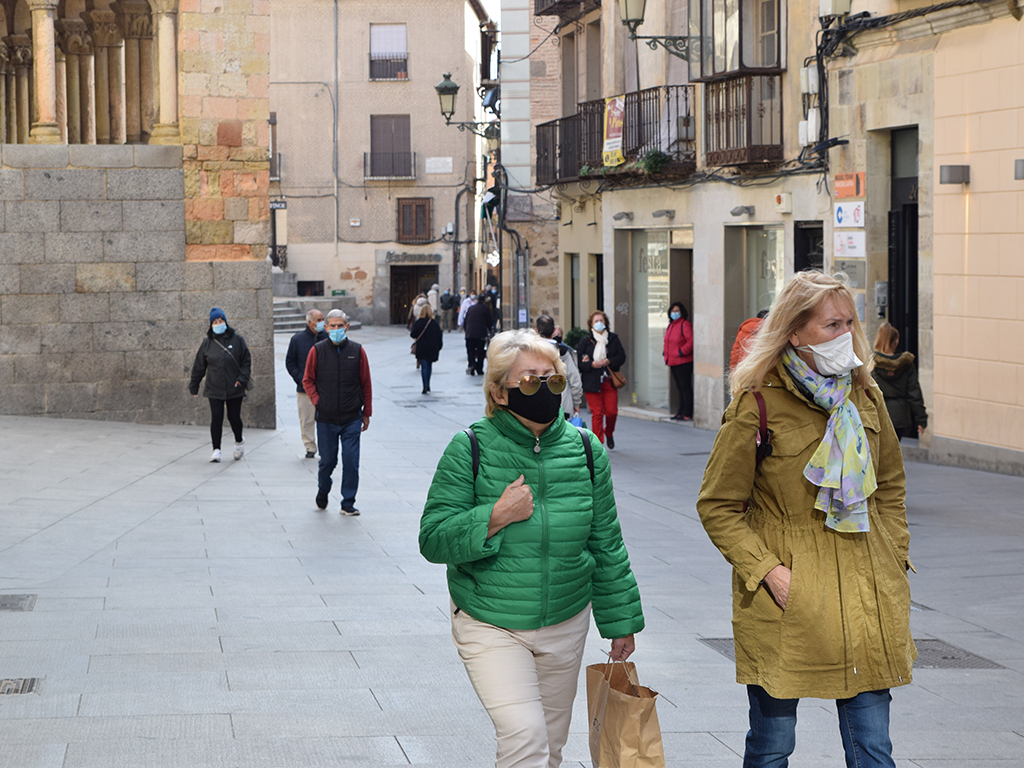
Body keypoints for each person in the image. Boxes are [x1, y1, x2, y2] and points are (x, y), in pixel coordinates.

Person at [696, 271, 915, 768]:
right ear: (794, 332)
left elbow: (892, 487)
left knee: (873, 748)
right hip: (789, 595)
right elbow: (718, 505)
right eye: (830, 325)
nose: (845, 335)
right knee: (772, 745)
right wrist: (771, 573)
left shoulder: (865, 395)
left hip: (865, 590)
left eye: (849, 323)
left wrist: (893, 554)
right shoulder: (756, 404)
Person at [419, 329, 644, 768]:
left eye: (553, 379)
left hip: (566, 617)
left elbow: (606, 541)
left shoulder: (586, 449)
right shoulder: (470, 448)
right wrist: (495, 516)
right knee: (526, 738)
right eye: (528, 380)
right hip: (491, 620)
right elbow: (433, 537)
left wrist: (621, 621)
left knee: (551, 748)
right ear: (500, 393)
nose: (543, 389)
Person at [302, 309, 372, 516]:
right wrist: (318, 401)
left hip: (351, 416)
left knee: (351, 461)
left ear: (347, 327)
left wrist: (366, 412)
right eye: (332, 326)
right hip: (326, 418)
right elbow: (308, 380)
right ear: (326, 328)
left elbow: (365, 383)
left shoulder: (358, 351)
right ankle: (323, 489)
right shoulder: (317, 350)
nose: (335, 329)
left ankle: (348, 502)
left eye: (339, 325)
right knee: (328, 462)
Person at [189, 307, 251, 462]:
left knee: (233, 417)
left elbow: (246, 362)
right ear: (211, 325)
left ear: (225, 321)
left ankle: (238, 441)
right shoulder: (207, 343)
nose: (218, 324)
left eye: (220, 320)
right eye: (215, 322)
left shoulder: (237, 340)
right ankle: (216, 449)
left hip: (234, 386)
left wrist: (242, 379)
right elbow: (199, 366)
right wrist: (194, 385)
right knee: (216, 417)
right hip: (214, 386)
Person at [577, 310, 626, 448]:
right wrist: (591, 364)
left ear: (606, 323)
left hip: (609, 381)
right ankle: (598, 444)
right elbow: (579, 361)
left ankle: (609, 433)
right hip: (592, 383)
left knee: (612, 412)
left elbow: (622, 357)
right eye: (596, 321)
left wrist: (609, 361)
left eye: (601, 321)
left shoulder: (613, 339)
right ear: (591, 324)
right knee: (597, 413)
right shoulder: (585, 341)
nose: (599, 323)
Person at [871, 322, 928, 440]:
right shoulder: (906, 364)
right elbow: (914, 393)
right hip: (900, 417)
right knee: (894, 453)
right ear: (896, 342)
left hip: (878, 414)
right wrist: (921, 419)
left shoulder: (872, 363)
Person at [285, 308, 326, 458]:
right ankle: (310, 447)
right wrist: (300, 378)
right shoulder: (297, 340)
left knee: (325, 420)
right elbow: (290, 362)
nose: (322, 323)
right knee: (307, 419)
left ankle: (325, 445)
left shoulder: (327, 338)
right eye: (318, 320)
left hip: (325, 388)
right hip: (305, 389)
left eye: (323, 319)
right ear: (310, 323)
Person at [536, 313, 583, 419]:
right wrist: (576, 403)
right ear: (554, 330)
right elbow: (575, 381)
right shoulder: (564, 352)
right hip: (563, 404)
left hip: (538, 404)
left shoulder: (531, 352)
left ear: (536, 330)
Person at [663, 301, 694, 421]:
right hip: (672, 361)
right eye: (673, 311)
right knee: (680, 388)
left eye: (677, 311)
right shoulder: (671, 325)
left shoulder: (684, 324)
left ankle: (687, 412)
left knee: (685, 387)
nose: (674, 313)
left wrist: (681, 352)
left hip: (683, 361)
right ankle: (680, 412)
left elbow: (691, 341)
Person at [410, 303, 443, 394]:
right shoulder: (434, 323)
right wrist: (439, 346)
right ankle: (428, 384)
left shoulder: (419, 322)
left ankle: (425, 385)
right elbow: (439, 336)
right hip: (432, 348)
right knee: (429, 366)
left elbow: (413, 334)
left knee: (424, 366)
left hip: (422, 348)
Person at [463, 295, 491, 376]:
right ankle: (479, 368)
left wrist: (466, 331)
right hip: (480, 334)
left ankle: (471, 365)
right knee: (480, 351)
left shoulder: (471, 308)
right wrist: (489, 330)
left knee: (470, 351)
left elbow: (465, 321)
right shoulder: (486, 309)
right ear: (484, 301)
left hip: (470, 334)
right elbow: (489, 321)